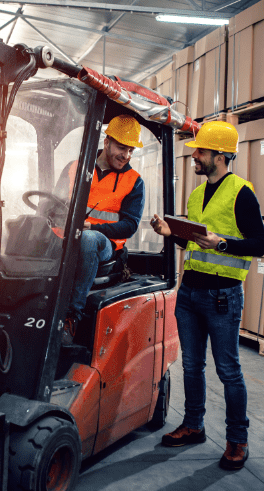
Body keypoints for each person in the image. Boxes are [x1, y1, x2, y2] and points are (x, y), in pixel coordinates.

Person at [150, 120, 264, 471]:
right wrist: (171, 233)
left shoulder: (241, 192)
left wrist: (223, 242)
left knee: (228, 370)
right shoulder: (197, 194)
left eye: (200, 151)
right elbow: (195, 243)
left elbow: (259, 243)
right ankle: (194, 425)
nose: (194, 156)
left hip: (222, 297)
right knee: (190, 365)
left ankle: (237, 440)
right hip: (190, 293)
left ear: (220, 156)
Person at [57, 114, 145, 343]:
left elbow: (129, 225)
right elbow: (54, 204)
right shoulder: (75, 167)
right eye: (121, 148)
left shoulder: (134, 181)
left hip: (106, 246)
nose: (125, 155)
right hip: (67, 237)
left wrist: (91, 226)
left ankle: (71, 317)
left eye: (130, 150)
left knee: (88, 239)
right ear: (106, 142)